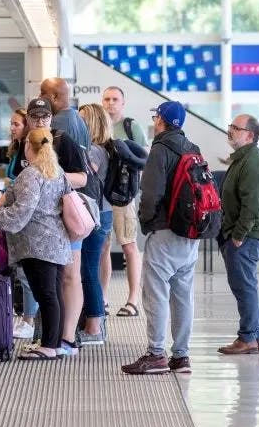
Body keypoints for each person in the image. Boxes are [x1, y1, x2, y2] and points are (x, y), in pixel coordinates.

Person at [122, 101, 201, 376]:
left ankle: (156, 354)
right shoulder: (192, 148)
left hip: (166, 232)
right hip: (191, 234)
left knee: (155, 294)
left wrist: (146, 224)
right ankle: (181, 356)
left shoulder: (160, 148)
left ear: (160, 121)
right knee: (183, 296)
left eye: (156, 117)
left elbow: (150, 193)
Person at [0, 128, 69, 360]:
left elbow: (22, 211)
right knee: (54, 294)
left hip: (37, 244)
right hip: (56, 241)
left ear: (29, 145)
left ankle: (48, 346)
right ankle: (54, 344)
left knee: (46, 295)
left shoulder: (32, 174)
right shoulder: (56, 171)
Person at [20, 98, 87, 356]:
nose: (40, 120)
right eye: (35, 116)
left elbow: (82, 177)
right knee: (49, 285)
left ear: (52, 117)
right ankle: (52, 339)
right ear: (28, 118)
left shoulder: (62, 140)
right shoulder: (25, 143)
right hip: (37, 226)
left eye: (45, 116)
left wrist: (48, 176)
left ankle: (65, 338)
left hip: (63, 221)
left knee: (66, 278)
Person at [217, 114, 259, 355]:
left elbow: (252, 204)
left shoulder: (253, 162)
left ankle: (248, 337)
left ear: (250, 135)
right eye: (230, 126)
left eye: (235, 128)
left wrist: (238, 235)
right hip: (241, 232)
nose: (230, 131)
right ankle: (255, 335)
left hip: (246, 235)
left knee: (244, 286)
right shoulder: (242, 159)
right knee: (245, 284)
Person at [101, 86, 145, 319]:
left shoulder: (131, 127)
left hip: (124, 194)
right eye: (106, 99)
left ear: (123, 102)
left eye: (115, 99)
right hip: (102, 194)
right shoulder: (99, 126)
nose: (110, 103)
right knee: (103, 246)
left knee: (128, 244)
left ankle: (132, 299)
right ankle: (103, 298)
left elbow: (144, 157)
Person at [75, 103, 114, 344]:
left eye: (81, 121)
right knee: (87, 269)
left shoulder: (95, 150)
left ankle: (94, 327)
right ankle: (93, 323)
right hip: (101, 212)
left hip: (95, 213)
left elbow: (85, 177)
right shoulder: (103, 149)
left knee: (87, 270)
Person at [3, 109, 40, 337]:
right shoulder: (16, 150)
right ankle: (27, 316)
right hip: (16, 211)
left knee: (28, 271)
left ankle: (29, 319)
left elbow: (25, 184)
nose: (12, 127)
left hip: (27, 216)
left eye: (16, 124)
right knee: (22, 269)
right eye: (11, 123)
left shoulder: (30, 156)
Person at [41, 77, 90, 150]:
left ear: (54, 96)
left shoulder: (52, 123)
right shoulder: (82, 121)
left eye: (42, 93)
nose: (39, 97)